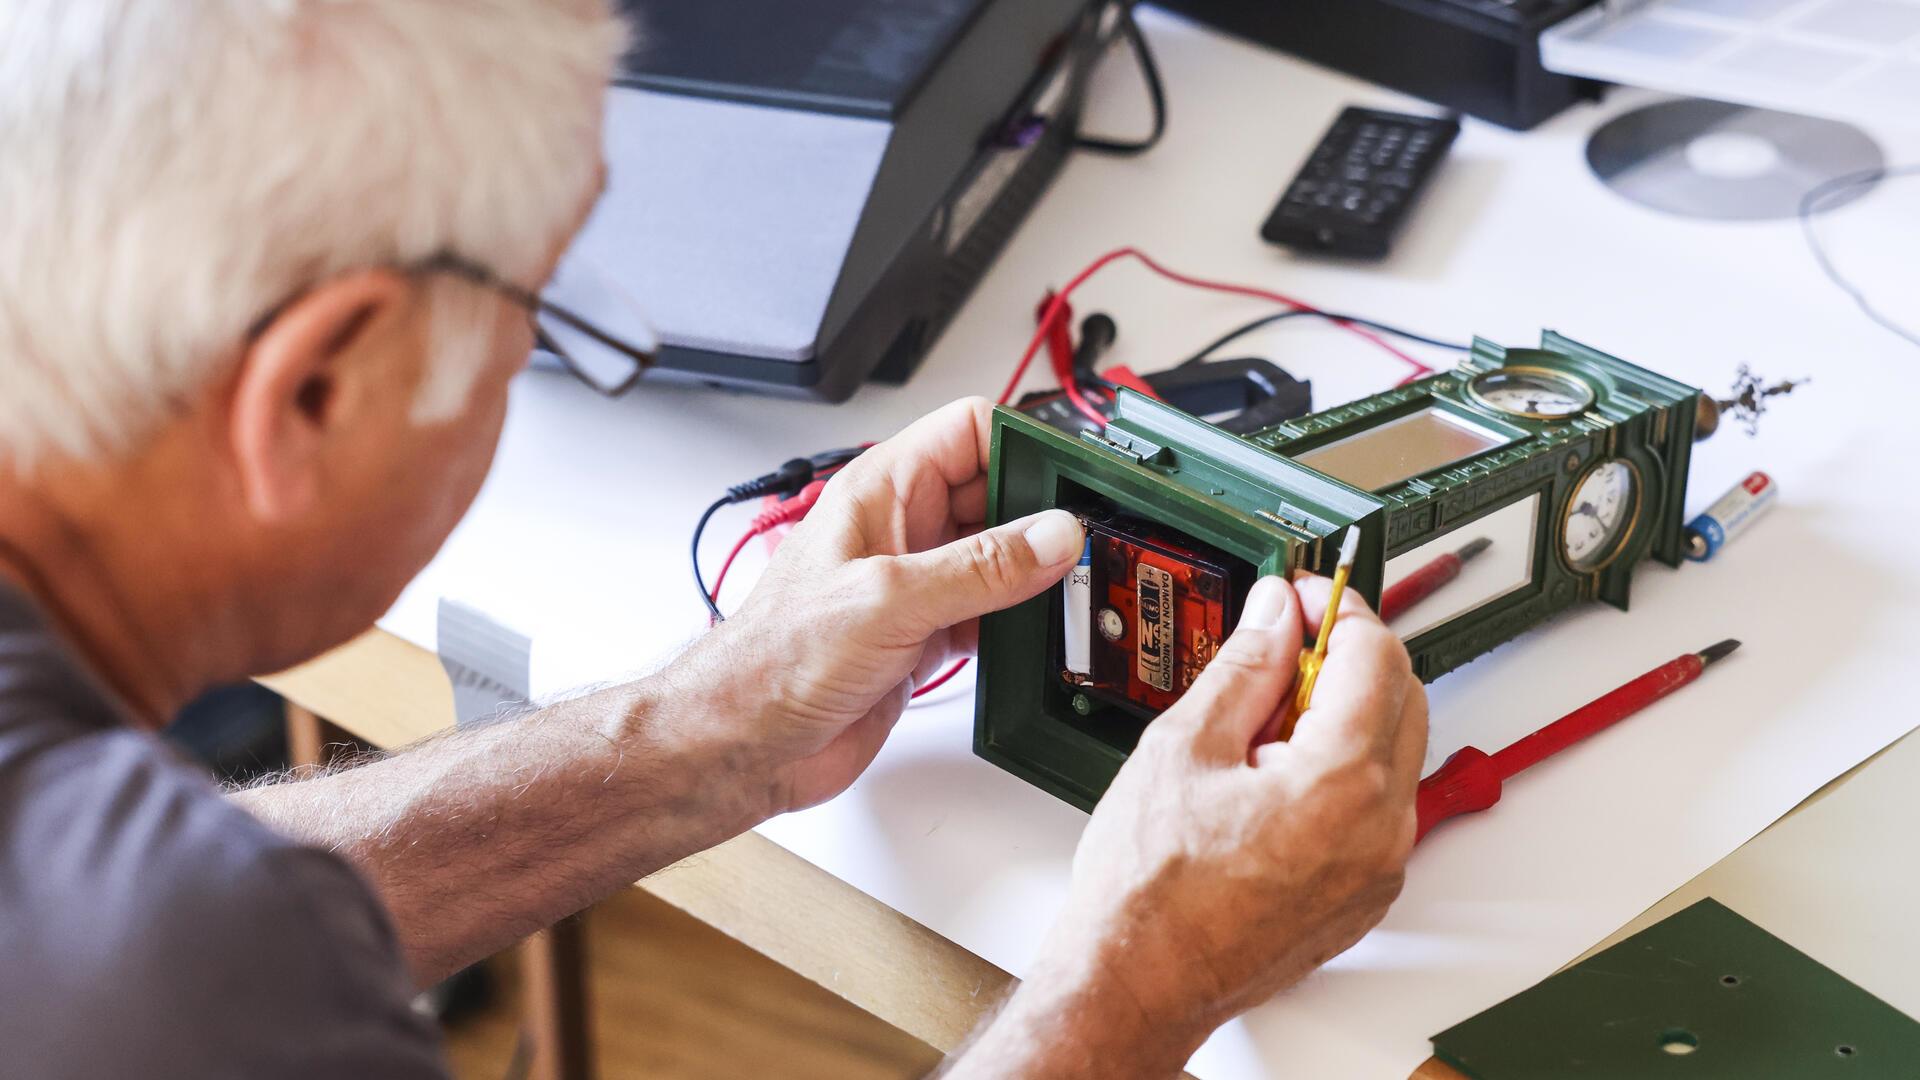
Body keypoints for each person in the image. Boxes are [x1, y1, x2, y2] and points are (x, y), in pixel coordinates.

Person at [0, 2, 1426, 1077]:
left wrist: (702, 729)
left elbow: (176, 922)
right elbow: (181, 954)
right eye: (546, 324)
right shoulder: (163, 970)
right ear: (318, 386)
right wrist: (1138, 982)